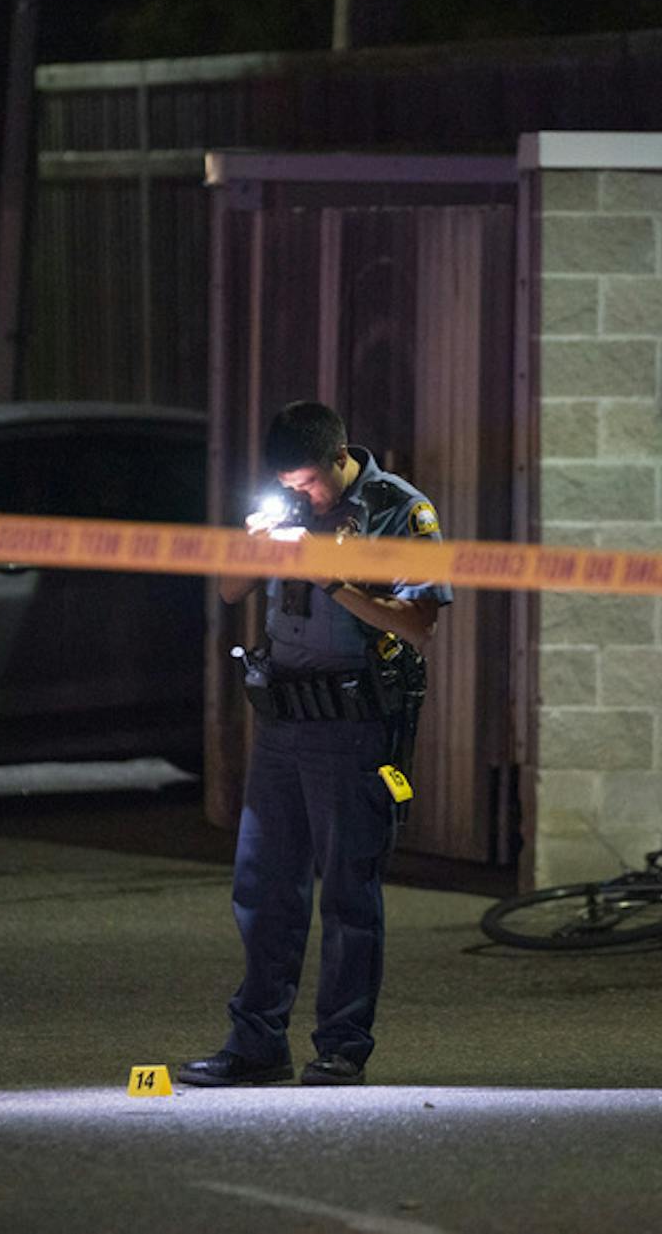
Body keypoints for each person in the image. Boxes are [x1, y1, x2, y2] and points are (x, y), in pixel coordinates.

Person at [178, 400, 450, 1087]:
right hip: (284, 719)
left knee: (348, 893)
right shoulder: (288, 510)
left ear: (340, 457)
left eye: (306, 483)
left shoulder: (398, 509)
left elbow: (419, 625)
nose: (300, 495)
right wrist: (255, 543)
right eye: (287, 485)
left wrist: (332, 576)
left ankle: (342, 1044)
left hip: (354, 722)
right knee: (264, 886)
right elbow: (230, 588)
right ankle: (257, 1040)